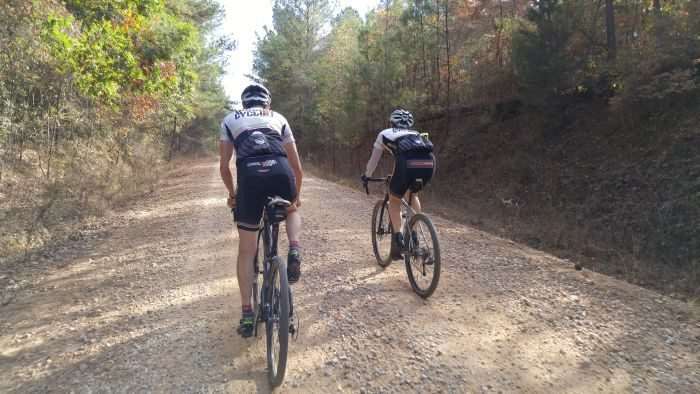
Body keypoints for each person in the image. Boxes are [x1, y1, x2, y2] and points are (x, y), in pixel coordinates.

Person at [219, 83, 303, 337]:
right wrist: (295, 198)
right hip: (280, 171)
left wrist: (233, 195)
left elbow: (224, 166)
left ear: (243, 103)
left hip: (250, 177)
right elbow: (297, 167)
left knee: (246, 251)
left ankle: (246, 314)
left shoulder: (229, 120)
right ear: (267, 103)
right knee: (291, 209)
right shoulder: (278, 117)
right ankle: (295, 248)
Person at [362, 108, 435, 260]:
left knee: (394, 201)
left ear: (392, 122)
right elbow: (402, 157)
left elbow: (374, 160)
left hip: (406, 164)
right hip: (429, 163)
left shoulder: (385, 134)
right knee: (412, 194)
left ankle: (399, 239)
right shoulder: (415, 134)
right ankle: (414, 234)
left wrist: (367, 176)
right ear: (410, 124)